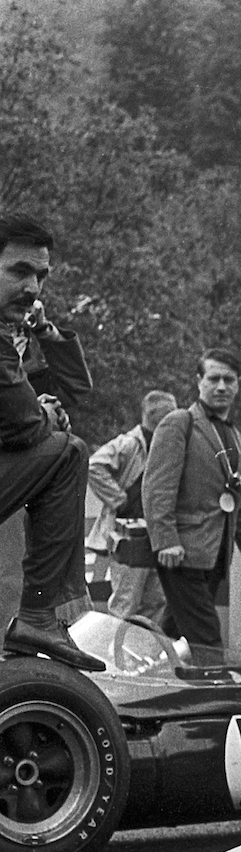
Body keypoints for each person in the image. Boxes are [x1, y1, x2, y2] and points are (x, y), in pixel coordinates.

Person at [0, 213, 100, 671]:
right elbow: (24, 425)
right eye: (19, 271)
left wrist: (44, 332)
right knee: (69, 452)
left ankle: (44, 616)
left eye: (40, 276)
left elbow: (77, 391)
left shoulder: (13, 338)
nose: (34, 287)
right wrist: (43, 413)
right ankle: (42, 615)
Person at [146, 351, 241, 663]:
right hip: (183, 554)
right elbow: (157, 487)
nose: (221, 386)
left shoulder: (234, 435)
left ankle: (145, 690)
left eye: (229, 380)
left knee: (172, 634)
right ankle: (216, 702)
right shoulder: (180, 423)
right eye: (214, 378)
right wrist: (165, 540)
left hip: (215, 555)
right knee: (207, 640)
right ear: (199, 382)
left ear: (238, 385)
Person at [87, 389, 176, 625]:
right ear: (154, 414)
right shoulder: (129, 444)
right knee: (126, 602)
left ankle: (144, 655)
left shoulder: (168, 443)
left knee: (156, 601)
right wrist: (119, 499)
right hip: (130, 536)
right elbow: (94, 466)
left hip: (157, 535)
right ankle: (116, 657)